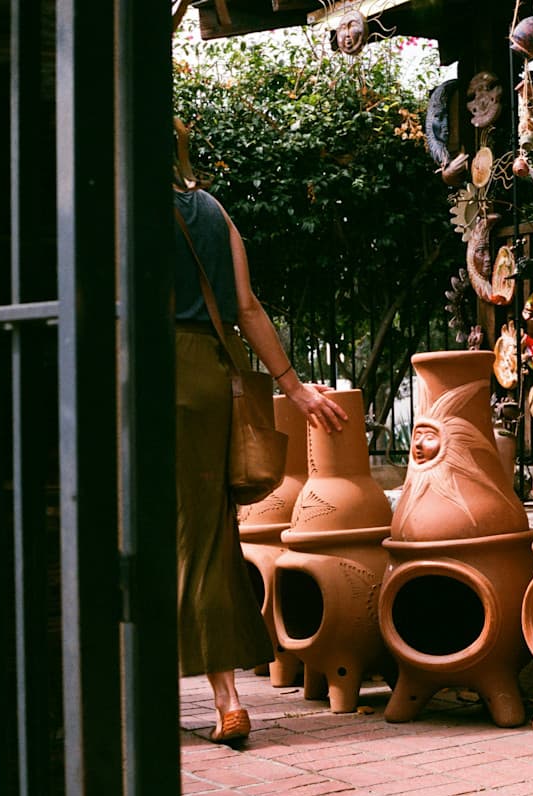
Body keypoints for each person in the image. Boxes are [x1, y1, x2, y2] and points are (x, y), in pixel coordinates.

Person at [172, 118, 347, 743]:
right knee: (207, 537)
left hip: (141, 373)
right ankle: (226, 702)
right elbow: (245, 307)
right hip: (208, 380)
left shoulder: (117, 208)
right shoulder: (215, 213)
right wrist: (293, 387)